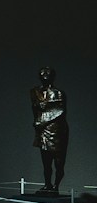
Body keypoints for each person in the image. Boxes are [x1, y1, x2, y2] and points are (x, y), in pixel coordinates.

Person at [31, 66, 69, 196]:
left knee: (59, 162)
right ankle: (47, 184)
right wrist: (38, 122)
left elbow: (60, 110)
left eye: (47, 75)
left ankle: (56, 186)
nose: (44, 77)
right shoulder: (36, 92)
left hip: (57, 131)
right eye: (42, 75)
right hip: (44, 131)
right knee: (46, 162)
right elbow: (35, 110)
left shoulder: (58, 93)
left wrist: (42, 120)